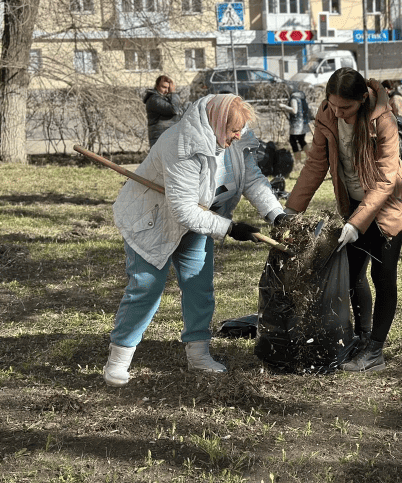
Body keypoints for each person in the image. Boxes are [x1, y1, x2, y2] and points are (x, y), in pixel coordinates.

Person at [103, 93, 291, 387]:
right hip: (152, 222)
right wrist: (230, 228)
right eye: (233, 130)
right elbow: (183, 210)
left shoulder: (236, 139)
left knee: (199, 288)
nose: (238, 135)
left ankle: (198, 353)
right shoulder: (181, 144)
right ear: (217, 122)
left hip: (200, 221)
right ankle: (119, 358)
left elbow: (251, 179)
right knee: (145, 289)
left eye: (240, 130)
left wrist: (275, 214)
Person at [284, 68, 402, 372]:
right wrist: (291, 212)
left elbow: (385, 179)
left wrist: (357, 224)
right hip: (354, 204)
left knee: (383, 278)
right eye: (334, 106)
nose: (340, 113)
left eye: (347, 108)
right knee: (352, 275)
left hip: (388, 206)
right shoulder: (327, 116)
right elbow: (315, 165)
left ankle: (375, 352)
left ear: (361, 100)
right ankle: (362, 338)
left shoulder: (381, 118)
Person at [144, 75, 184, 148]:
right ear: (157, 86)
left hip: (168, 137)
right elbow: (174, 110)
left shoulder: (166, 99)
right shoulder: (154, 100)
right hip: (161, 139)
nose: (167, 91)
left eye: (169, 88)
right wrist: (173, 93)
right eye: (164, 87)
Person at [279, 88, 311, 162]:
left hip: (297, 124)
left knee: (293, 141)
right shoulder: (302, 98)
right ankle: (310, 157)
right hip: (303, 123)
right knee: (301, 140)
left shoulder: (294, 98)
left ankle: (298, 160)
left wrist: (283, 106)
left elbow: (294, 111)